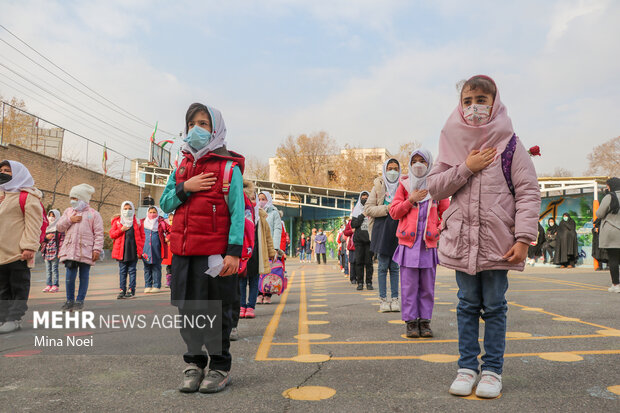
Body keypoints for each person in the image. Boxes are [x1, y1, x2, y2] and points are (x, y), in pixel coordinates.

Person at [427, 75, 540, 398]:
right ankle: (466, 367)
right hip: (463, 241)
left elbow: (529, 192)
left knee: (494, 306)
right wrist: (467, 166)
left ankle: (491, 371)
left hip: (497, 243)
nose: (474, 108)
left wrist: (523, 238)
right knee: (465, 305)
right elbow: (434, 188)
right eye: (467, 101)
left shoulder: (510, 145)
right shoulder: (451, 140)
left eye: (481, 100)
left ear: (495, 103)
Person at [160, 102, 244, 393]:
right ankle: (194, 363)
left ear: (216, 129)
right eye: (193, 123)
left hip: (214, 257)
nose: (197, 129)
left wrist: (233, 253)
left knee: (216, 314)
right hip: (183, 255)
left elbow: (237, 214)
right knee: (188, 313)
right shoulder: (181, 166)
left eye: (204, 124)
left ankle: (220, 367)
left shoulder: (229, 169)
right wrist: (187, 186)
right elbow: (165, 202)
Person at [391, 149, 450, 336]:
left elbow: (447, 213)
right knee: (408, 287)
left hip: (428, 246)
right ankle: (410, 322)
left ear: (429, 164)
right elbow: (394, 212)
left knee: (427, 287)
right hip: (408, 246)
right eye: (414, 161)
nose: (418, 164)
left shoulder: (436, 185)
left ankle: (424, 322)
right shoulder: (404, 185)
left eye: (422, 161)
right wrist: (410, 200)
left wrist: (439, 228)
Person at [0, 160, 43, 334]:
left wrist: (29, 247)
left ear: (18, 173)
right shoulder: (2, 196)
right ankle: (2, 318)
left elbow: (33, 225)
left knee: (18, 287)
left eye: (7, 171)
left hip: (18, 253)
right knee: (2, 289)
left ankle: (14, 318)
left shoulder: (27, 196)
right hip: (1, 253)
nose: (3, 173)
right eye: (1, 170)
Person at [56, 183, 104, 311]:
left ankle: (80, 300)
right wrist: (70, 220)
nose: (73, 201)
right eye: (71, 198)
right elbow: (59, 227)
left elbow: (98, 234)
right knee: (69, 277)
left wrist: (97, 249)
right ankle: (69, 300)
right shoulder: (68, 212)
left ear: (83, 199)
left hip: (86, 250)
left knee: (84, 276)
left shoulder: (94, 214)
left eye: (76, 198)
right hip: (70, 250)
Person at [236, 181, 275, 329]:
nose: (252, 202)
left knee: (253, 282)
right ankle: (241, 305)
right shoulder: (239, 213)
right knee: (240, 282)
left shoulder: (261, 217)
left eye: (254, 199)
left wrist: (272, 252)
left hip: (257, 254)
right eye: (249, 198)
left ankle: (250, 306)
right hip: (242, 254)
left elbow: (267, 237)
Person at [365, 158, 402, 312]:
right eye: (390, 168)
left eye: (395, 168)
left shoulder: (403, 185)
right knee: (382, 266)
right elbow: (368, 209)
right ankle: (383, 300)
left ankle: (395, 299)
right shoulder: (378, 185)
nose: (392, 171)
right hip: (382, 229)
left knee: (394, 267)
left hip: (398, 229)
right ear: (385, 170)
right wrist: (387, 209)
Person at [111, 201, 145, 299]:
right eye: (125, 209)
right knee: (122, 271)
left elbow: (142, 237)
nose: (127, 211)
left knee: (132, 271)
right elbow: (112, 234)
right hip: (122, 251)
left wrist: (140, 251)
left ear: (133, 210)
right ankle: (122, 290)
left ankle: (131, 290)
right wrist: (121, 230)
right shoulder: (118, 222)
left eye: (129, 209)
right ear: (122, 210)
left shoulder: (137, 222)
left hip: (133, 251)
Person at [256, 191, 282, 305]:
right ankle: (259, 293)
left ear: (269, 199)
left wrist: (275, 248)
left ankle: (268, 294)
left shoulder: (274, 212)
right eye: (259, 199)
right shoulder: (255, 210)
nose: (261, 201)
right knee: (259, 271)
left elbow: (277, 229)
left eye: (263, 199)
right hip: (258, 245)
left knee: (270, 270)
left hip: (270, 245)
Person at [596, 178, 620, 292]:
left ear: (611, 186)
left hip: (612, 232)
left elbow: (599, 213)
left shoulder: (610, 197)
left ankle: (616, 285)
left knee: (614, 259)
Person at [141, 206, 170, 293]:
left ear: (157, 213)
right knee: (147, 268)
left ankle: (157, 285)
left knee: (156, 267)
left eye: (154, 212)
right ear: (147, 213)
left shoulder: (161, 223)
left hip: (157, 249)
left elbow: (171, 231)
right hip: (145, 250)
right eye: (150, 212)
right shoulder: (142, 223)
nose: (152, 214)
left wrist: (168, 237)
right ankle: (148, 285)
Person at [351, 191, 373, 290]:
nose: (365, 199)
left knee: (369, 263)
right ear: (360, 199)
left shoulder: (373, 208)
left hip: (369, 241)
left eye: (367, 198)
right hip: (359, 241)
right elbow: (353, 224)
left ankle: (369, 282)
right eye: (363, 198)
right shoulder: (356, 211)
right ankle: (360, 283)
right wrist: (363, 215)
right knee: (359, 262)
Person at [41, 209, 64, 293]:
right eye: (50, 215)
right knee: (48, 270)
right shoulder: (45, 228)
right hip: (46, 252)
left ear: (57, 216)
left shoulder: (59, 228)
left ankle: (55, 285)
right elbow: (41, 240)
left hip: (55, 253)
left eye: (53, 216)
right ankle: (48, 285)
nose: (51, 217)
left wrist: (60, 252)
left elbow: (62, 241)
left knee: (54, 269)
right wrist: (46, 238)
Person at [162, 212, 174, 288]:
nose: (171, 218)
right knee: (169, 266)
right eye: (170, 216)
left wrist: (169, 238)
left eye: (172, 216)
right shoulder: (165, 224)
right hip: (168, 247)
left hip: (175, 246)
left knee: (175, 265)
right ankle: (169, 280)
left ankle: (175, 280)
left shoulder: (177, 224)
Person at [343, 219, 357, 284]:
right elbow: (345, 232)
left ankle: (359, 278)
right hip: (352, 246)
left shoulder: (365, 219)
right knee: (352, 262)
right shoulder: (350, 222)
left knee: (360, 263)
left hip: (362, 246)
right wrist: (352, 230)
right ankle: (353, 278)